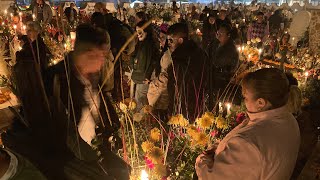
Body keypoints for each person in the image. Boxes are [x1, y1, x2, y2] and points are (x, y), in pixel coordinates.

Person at [195, 68, 300, 179]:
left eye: (245, 97)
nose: (243, 101)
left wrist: (202, 159)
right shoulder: (289, 119)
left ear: (260, 102)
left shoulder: (248, 144)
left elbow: (212, 177)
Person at [166, 23, 207, 121]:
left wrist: (171, 110)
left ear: (180, 40)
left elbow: (175, 87)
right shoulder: (200, 53)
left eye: (171, 40)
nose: (168, 44)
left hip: (183, 109)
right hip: (200, 105)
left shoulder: (179, 59)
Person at [207, 23, 239, 109]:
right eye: (218, 32)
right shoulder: (215, 43)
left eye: (222, 33)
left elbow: (218, 62)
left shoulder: (231, 48)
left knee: (222, 102)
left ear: (228, 35)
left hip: (223, 79)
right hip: (213, 77)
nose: (218, 34)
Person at [131, 21, 160, 110]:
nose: (138, 34)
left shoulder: (148, 46)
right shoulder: (142, 44)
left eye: (140, 32)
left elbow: (150, 63)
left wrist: (147, 77)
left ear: (146, 31)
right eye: (137, 32)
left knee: (141, 103)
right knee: (139, 102)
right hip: (140, 77)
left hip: (144, 79)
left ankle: (141, 122)